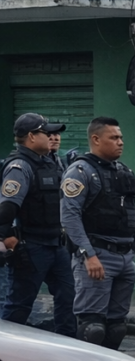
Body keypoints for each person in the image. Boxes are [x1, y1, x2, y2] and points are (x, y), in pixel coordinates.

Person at [61, 117, 135, 348]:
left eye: (120, 137)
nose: (120, 142)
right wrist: (88, 255)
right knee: (92, 327)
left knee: (117, 326)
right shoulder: (80, 172)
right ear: (96, 139)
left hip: (125, 256)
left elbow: (134, 216)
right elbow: (69, 217)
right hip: (97, 255)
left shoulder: (123, 171)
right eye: (114, 138)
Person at [1, 113, 76, 337]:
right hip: (31, 246)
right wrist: (6, 236)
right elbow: (6, 208)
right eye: (47, 133)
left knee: (69, 298)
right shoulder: (20, 166)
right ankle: (6, 357)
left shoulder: (51, 163)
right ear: (32, 137)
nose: (52, 136)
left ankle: (68, 350)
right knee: (19, 307)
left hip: (56, 244)